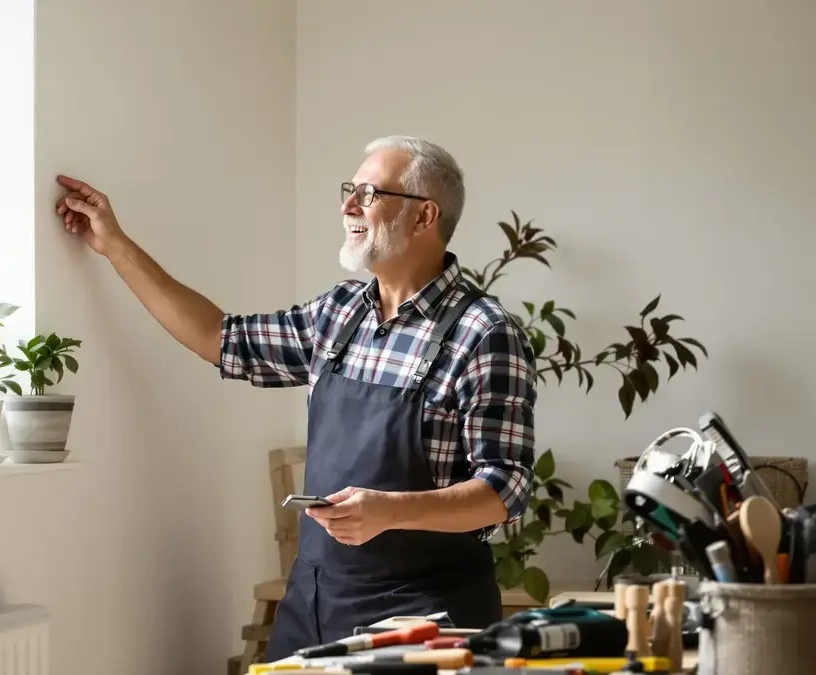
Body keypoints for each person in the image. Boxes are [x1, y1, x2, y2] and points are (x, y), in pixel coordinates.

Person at [55, 135, 537, 660]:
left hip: (424, 617)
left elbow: (504, 489)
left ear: (424, 217)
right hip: (314, 604)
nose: (348, 206)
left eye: (369, 194)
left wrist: (390, 511)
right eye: (349, 190)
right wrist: (115, 245)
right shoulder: (339, 313)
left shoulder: (485, 333)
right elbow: (221, 337)